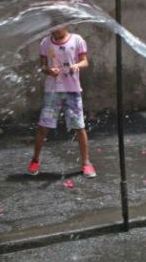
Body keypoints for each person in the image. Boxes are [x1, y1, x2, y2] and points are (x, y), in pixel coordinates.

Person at [27, 26, 97, 178]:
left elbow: (85, 61)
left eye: (56, 30)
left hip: (72, 91)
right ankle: (35, 160)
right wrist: (48, 71)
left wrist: (76, 66)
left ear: (65, 26)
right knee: (43, 127)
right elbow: (43, 66)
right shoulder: (45, 43)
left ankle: (86, 163)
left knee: (79, 126)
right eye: (52, 30)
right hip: (52, 91)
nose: (54, 32)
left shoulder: (77, 40)